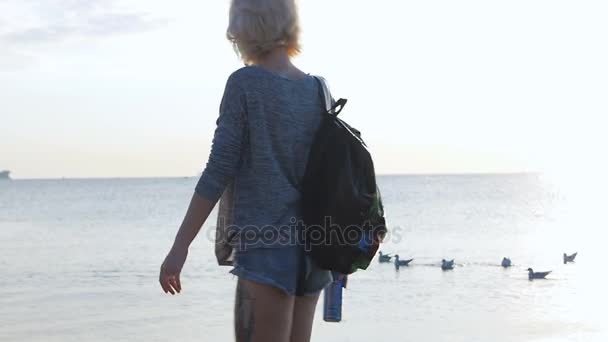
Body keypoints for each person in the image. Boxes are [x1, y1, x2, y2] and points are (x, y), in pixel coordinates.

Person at [159, 0, 333, 341]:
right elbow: (331, 176)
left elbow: (218, 169)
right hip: (316, 251)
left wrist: (180, 247)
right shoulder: (319, 89)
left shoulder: (246, 84)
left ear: (244, 26)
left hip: (266, 250)